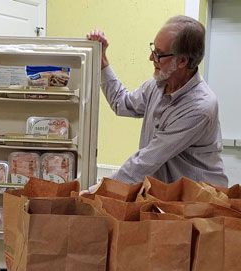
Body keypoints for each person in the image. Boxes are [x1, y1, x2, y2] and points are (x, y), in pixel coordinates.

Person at [86, 15, 228, 190]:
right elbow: (122, 104)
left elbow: (147, 160)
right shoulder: (158, 84)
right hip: (168, 192)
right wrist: (102, 61)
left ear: (182, 61)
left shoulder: (200, 106)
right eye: (153, 49)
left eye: (159, 54)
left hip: (198, 200)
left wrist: (95, 192)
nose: (150, 57)